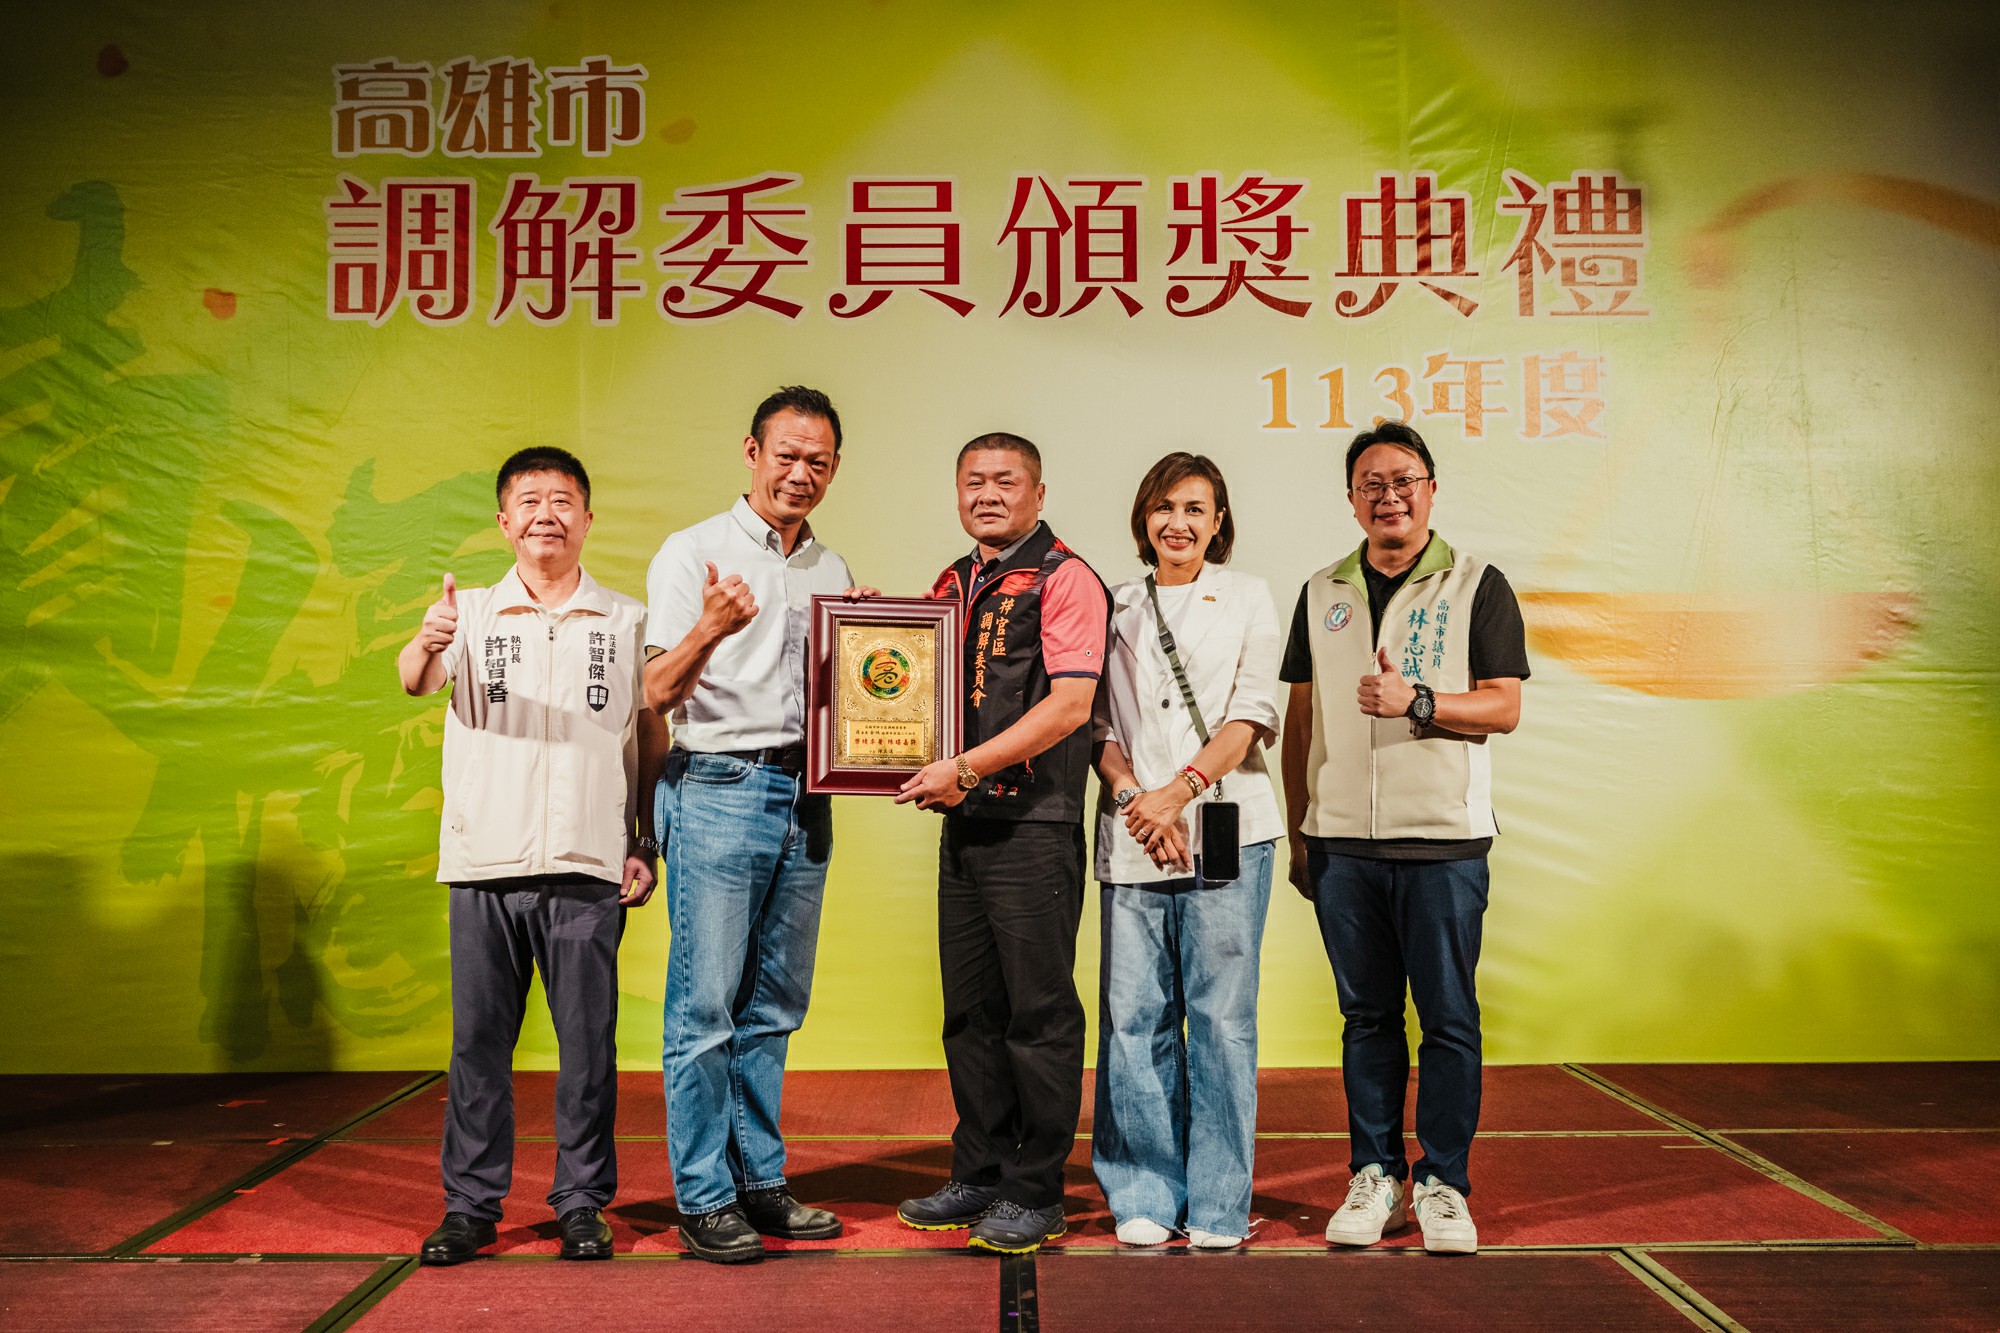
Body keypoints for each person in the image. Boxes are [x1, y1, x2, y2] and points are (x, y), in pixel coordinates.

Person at [397, 446, 661, 1266]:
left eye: (563, 499)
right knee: (479, 1046)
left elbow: (648, 733)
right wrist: (428, 638)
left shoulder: (626, 620)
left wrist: (643, 836)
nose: (547, 513)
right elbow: (416, 678)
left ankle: (582, 1202)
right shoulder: (469, 612)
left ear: (588, 517)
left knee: (588, 1048)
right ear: (505, 521)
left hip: (587, 863)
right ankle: (470, 1206)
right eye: (530, 500)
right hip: (484, 864)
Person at [1279, 420, 1529, 1255]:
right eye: (1372, 484)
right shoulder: (1322, 590)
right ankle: (1376, 1175)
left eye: (1404, 481)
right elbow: (1303, 716)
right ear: (1352, 499)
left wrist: (1417, 701)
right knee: (1367, 1018)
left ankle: (1444, 1182)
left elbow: (1503, 705)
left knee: (1449, 1019)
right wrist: (1301, 827)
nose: (1389, 496)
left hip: (1444, 844)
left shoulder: (1478, 584)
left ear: (1431, 490)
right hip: (1342, 844)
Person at [643, 386, 875, 1264]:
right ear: (751, 452)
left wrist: (875, 643)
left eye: (818, 460)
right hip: (717, 783)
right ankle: (705, 1196)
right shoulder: (691, 551)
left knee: (773, 1005)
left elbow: (844, 698)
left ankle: (760, 1179)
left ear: (835, 469)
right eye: (786, 455)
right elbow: (656, 690)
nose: (799, 473)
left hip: (805, 791)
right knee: (704, 1007)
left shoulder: (831, 566)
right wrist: (710, 625)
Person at [893, 432, 1109, 1255]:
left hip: (1034, 825)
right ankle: (979, 1171)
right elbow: (919, 681)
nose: (987, 493)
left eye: (1005, 480)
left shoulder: (1066, 577)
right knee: (971, 1013)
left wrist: (967, 767)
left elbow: (1071, 706)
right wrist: (879, 631)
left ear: (1038, 493)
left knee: (1038, 1012)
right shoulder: (955, 581)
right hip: (966, 823)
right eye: (973, 481)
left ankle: (1036, 1189)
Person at [1089, 452, 1282, 1250]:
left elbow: (1251, 713)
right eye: (1165, 507)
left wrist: (1179, 792)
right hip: (1135, 829)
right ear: (1144, 516)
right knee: (1134, 1017)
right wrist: (1138, 799)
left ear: (1219, 522)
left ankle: (1218, 1204)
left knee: (1222, 1019)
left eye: (1196, 509)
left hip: (1229, 825)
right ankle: (1142, 1189)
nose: (1179, 522)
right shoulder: (1113, 603)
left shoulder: (1249, 595)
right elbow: (1098, 726)